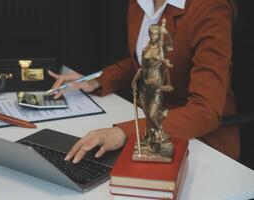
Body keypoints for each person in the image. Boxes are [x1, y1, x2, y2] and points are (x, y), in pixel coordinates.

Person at [48, 0, 239, 163]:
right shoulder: (140, 3)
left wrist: (126, 132)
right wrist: (98, 79)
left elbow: (206, 110)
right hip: (149, 121)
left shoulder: (210, 6)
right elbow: (144, 61)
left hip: (200, 136)